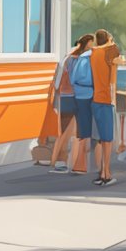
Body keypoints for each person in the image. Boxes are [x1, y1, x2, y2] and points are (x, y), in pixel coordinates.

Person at [48, 36, 86, 173]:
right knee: (71, 132)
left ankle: (60, 162)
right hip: (72, 97)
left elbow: (57, 82)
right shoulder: (76, 60)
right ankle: (65, 162)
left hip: (64, 97)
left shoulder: (67, 58)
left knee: (66, 132)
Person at [89, 29, 121, 186]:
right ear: (108, 39)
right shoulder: (110, 51)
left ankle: (101, 172)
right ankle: (106, 173)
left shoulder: (94, 53)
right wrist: (112, 41)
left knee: (101, 140)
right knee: (107, 140)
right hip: (107, 100)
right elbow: (116, 50)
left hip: (96, 99)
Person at [68, 33, 97, 176]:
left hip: (78, 95)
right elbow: (82, 78)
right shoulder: (86, 58)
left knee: (82, 129)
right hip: (86, 95)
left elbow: (73, 79)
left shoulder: (78, 57)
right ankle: (80, 164)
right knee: (85, 130)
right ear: (89, 43)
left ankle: (79, 163)